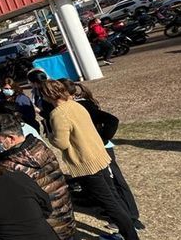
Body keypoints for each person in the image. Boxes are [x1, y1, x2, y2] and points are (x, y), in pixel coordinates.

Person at [40, 80, 149, 240]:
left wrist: (50, 135)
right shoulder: (76, 105)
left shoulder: (58, 114)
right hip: (99, 156)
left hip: (86, 163)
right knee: (113, 196)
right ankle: (125, 231)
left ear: (47, 95)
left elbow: (62, 142)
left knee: (109, 202)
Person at [60, 79, 145, 231]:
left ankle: (129, 217)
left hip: (101, 148)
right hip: (97, 148)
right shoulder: (77, 104)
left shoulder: (82, 105)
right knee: (111, 183)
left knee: (114, 183)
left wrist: (103, 138)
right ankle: (124, 215)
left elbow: (111, 120)